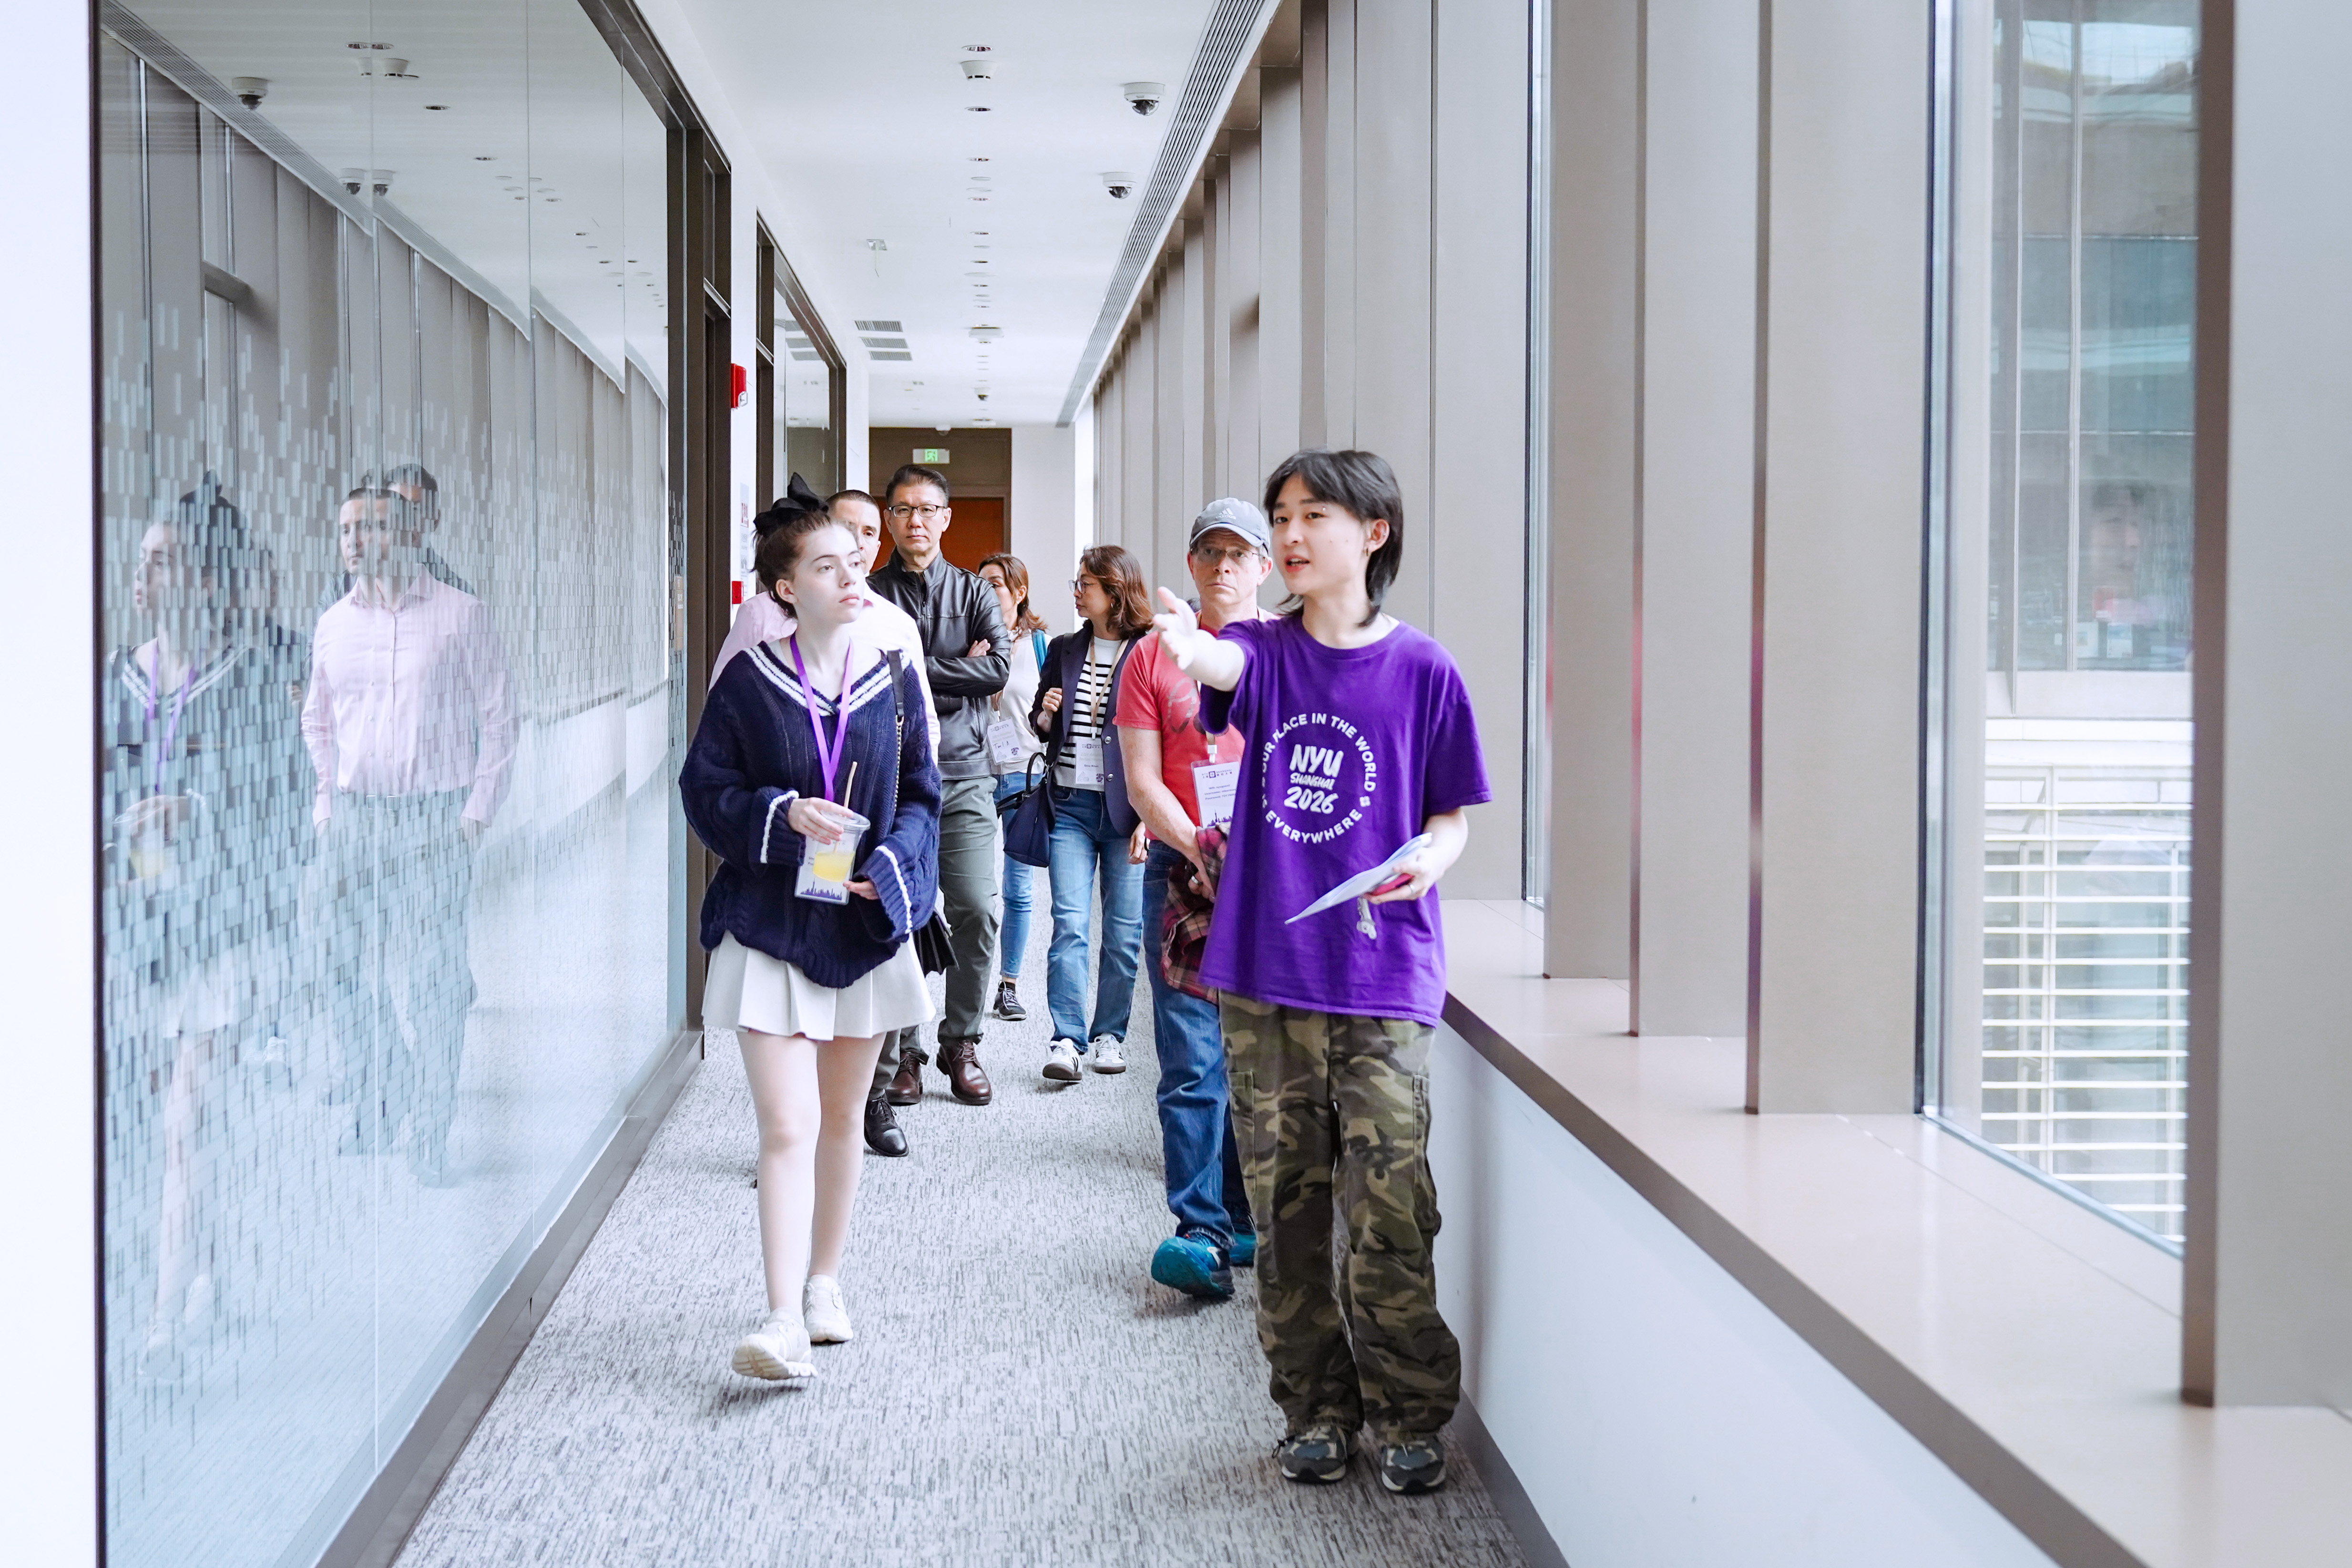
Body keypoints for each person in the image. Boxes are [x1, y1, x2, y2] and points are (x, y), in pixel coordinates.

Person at [1149, 449, 1488, 1496]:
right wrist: (1186, 649)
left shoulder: (1425, 669)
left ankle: (1408, 1413)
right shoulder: (1263, 650)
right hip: (1266, 975)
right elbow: (1225, 673)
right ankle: (1313, 1411)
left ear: (1372, 534)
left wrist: (1430, 858)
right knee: (1286, 1208)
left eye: (1313, 517)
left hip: (1384, 978)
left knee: (1389, 1206)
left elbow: (1449, 817)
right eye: (1281, 517)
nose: (1290, 536)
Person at [680, 509, 940, 1384]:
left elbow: (920, 797)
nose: (850, 572)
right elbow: (704, 789)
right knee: (785, 1123)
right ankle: (781, 1313)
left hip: (858, 924)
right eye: (825, 565)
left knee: (840, 1120)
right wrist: (781, 815)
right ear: (787, 589)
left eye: (853, 560)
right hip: (769, 923)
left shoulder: (894, 679)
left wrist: (896, 864)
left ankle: (825, 1281)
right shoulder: (749, 684)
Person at [104, 479, 307, 1366]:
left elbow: (287, 807)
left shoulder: (251, 677)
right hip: (145, 932)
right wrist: (123, 821)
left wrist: (195, 812)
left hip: (219, 932)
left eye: (162, 561)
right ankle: (210, 1280)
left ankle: (158, 1313)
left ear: (205, 575)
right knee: (178, 1122)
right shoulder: (121, 677)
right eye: (143, 562)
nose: (144, 577)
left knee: (187, 1116)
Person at [303, 486, 515, 1188]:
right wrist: (327, 808)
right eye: (346, 528)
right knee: (327, 959)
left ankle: (429, 1130)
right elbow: (318, 721)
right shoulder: (333, 624)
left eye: (371, 526)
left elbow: (500, 717)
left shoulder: (460, 616)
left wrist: (475, 814)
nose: (356, 539)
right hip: (356, 817)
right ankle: (387, 1073)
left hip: (433, 820)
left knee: (433, 983)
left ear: (407, 536)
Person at [1115, 500, 1273, 1301]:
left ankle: (1244, 1215)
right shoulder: (1149, 657)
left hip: (1270, 879)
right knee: (1190, 1058)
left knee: (1258, 1055)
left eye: (1238, 553)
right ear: (1189, 564)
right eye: (1208, 551)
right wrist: (1195, 848)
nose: (1222, 566)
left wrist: (1246, 854)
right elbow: (1143, 777)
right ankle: (1200, 1229)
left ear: (1265, 567)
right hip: (1180, 873)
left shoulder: (1288, 654)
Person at [862, 465, 1011, 1117]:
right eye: (902, 510)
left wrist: (914, 661)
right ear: (888, 520)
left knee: (977, 907)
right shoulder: (868, 593)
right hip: (891, 780)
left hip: (967, 770)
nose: (915, 520)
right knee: (902, 914)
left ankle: (962, 1041)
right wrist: (957, 667)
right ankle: (904, 1053)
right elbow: (867, 675)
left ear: (946, 518)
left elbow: (998, 668)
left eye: (927, 509)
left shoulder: (976, 591)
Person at [1029, 544, 1152, 1083]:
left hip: (1128, 810)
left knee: (1123, 933)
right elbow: (1040, 722)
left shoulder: (1149, 651)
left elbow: (1166, 739)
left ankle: (1109, 1035)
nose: (1076, 591)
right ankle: (1065, 1038)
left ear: (1114, 590)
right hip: (1072, 807)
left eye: (1086, 584)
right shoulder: (1062, 648)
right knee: (1070, 926)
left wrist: (1152, 814)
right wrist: (1044, 714)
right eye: (1076, 582)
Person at [975, 552, 1050, 1023]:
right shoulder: (967, 642)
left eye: (996, 584)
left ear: (1018, 592)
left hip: (1027, 775)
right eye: (980, 583)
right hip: (976, 775)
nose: (986, 591)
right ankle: (966, 979)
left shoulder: (1041, 647)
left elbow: (1049, 716)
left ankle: (1008, 984)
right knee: (975, 891)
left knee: (1019, 889)